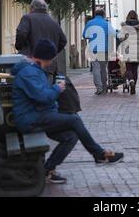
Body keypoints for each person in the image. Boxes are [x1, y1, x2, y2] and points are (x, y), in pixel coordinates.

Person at [12, 39, 124, 184]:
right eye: (51, 58)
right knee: (74, 119)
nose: (52, 62)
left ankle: (48, 169)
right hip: (30, 119)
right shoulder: (29, 72)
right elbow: (43, 96)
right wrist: (58, 88)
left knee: (70, 136)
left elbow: (42, 97)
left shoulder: (34, 70)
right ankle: (99, 154)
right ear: (45, 57)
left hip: (38, 115)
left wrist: (55, 102)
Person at [15, 0, 67, 76]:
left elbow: (21, 33)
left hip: (31, 63)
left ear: (32, 8)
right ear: (46, 8)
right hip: (49, 66)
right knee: (46, 87)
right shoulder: (53, 22)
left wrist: (19, 47)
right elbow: (63, 41)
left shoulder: (27, 18)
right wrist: (51, 53)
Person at [83, 9, 117, 95]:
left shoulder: (89, 23)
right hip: (104, 49)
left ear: (95, 14)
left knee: (96, 68)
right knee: (103, 68)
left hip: (93, 49)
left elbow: (85, 35)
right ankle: (104, 87)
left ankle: (99, 88)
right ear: (103, 15)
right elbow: (113, 34)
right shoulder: (106, 24)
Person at [120, 11, 139, 95]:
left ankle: (131, 80)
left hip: (127, 50)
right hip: (137, 50)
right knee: (135, 69)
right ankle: (133, 83)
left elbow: (120, 37)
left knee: (128, 68)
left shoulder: (124, 26)